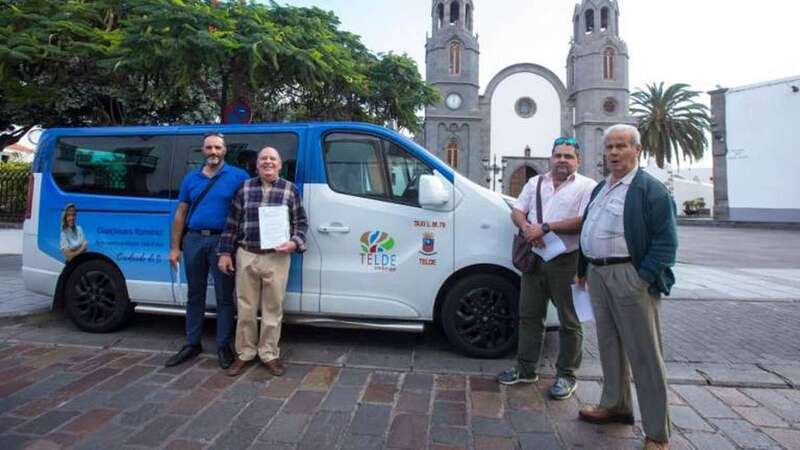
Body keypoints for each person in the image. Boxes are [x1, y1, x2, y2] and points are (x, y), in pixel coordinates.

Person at [576, 124, 677, 450]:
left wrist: (643, 277)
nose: (614, 153)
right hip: (598, 276)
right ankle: (615, 405)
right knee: (609, 346)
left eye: (621, 146)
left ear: (637, 151)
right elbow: (589, 229)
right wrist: (583, 268)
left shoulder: (651, 190)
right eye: (609, 147)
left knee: (645, 355)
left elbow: (666, 242)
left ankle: (657, 435)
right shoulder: (601, 188)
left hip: (630, 278)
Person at [496, 137, 597, 401]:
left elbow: (584, 220)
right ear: (551, 158)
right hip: (535, 257)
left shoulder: (588, 187)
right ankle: (526, 368)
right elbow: (517, 210)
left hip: (566, 261)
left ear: (578, 161)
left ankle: (566, 375)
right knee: (529, 315)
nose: (562, 160)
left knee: (569, 320)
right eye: (558, 155)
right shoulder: (535, 182)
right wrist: (528, 229)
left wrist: (547, 227)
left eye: (568, 156)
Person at [218, 146, 308, 377]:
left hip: (277, 258)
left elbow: (301, 223)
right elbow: (231, 224)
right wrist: (225, 253)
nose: (268, 162)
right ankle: (245, 353)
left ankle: (269, 354)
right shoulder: (245, 188)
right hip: (247, 254)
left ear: (279, 164)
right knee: (245, 309)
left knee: (273, 309)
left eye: (273, 159)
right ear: (256, 164)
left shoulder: (290, 190)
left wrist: (294, 242)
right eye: (263, 158)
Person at [165, 133, 249, 369]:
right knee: (195, 295)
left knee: (224, 297)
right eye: (209, 147)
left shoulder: (238, 176)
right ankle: (192, 343)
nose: (213, 151)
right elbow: (181, 213)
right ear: (203, 150)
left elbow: (247, 210)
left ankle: (223, 345)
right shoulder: (191, 178)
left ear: (225, 150)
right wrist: (174, 247)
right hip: (193, 241)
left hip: (223, 243)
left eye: (217, 147)